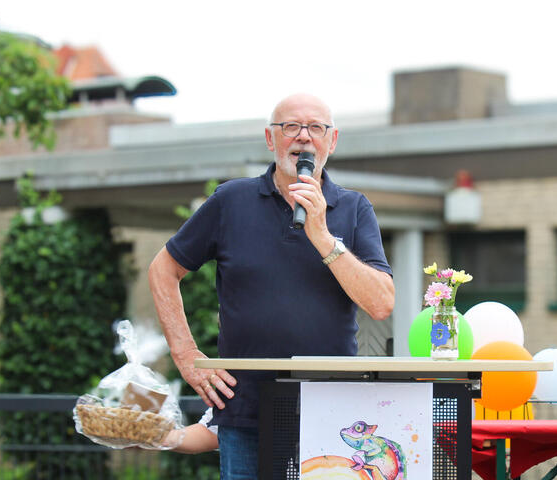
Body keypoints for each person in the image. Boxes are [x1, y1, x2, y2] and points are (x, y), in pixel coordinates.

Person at [148, 93, 395, 479]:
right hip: (247, 410)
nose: (303, 138)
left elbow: (381, 303)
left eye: (315, 128)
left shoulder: (354, 208)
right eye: (291, 127)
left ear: (332, 142)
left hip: (331, 412)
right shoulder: (231, 201)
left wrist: (322, 235)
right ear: (270, 138)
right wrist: (187, 356)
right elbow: (163, 269)